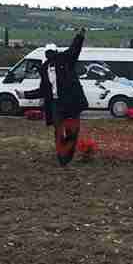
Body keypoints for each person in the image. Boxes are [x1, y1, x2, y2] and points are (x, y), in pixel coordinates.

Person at [39, 29, 87, 165]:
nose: (50, 56)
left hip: (71, 103)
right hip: (56, 104)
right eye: (48, 54)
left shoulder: (66, 60)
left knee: (72, 132)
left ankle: (67, 154)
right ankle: (62, 157)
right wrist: (25, 94)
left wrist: (79, 36)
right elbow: (43, 89)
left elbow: (74, 50)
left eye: (51, 53)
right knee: (59, 131)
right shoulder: (44, 68)